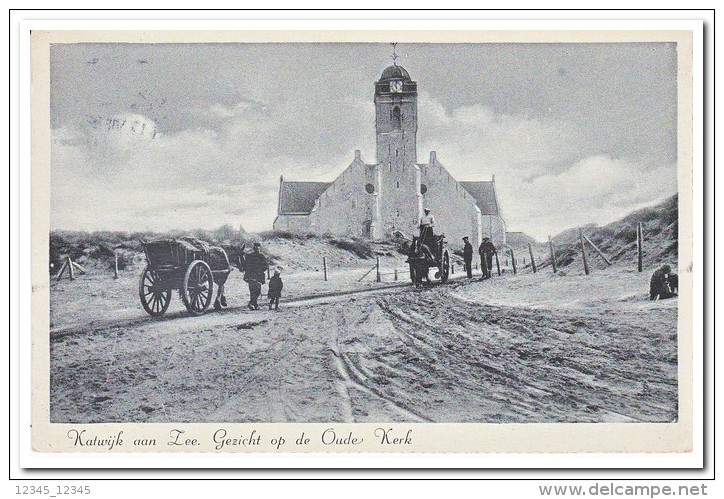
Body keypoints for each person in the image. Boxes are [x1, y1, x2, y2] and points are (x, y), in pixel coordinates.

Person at [244, 242, 268, 310]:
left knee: (252, 291)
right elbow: (265, 267)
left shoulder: (249, 256)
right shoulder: (261, 256)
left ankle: (255, 304)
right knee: (257, 291)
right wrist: (259, 270)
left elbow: (245, 265)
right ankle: (251, 303)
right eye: (257, 248)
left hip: (250, 276)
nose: (257, 249)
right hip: (257, 276)